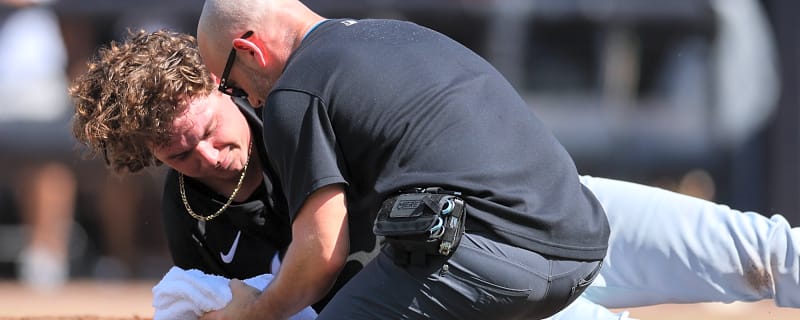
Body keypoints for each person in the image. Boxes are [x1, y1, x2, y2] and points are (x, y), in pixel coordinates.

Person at [69, 30, 799, 320]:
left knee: (764, 251)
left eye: (202, 131)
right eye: (174, 155)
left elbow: (317, 258)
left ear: (223, 84)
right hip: (478, 292)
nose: (205, 156)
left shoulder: (295, 105)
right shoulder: (194, 220)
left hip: (551, 214)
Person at [196, 0, 611, 318]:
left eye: (232, 85)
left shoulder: (294, 91)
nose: (250, 101)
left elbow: (320, 255)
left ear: (249, 50)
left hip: (492, 256)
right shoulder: (398, 33)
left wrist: (254, 312)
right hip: (583, 249)